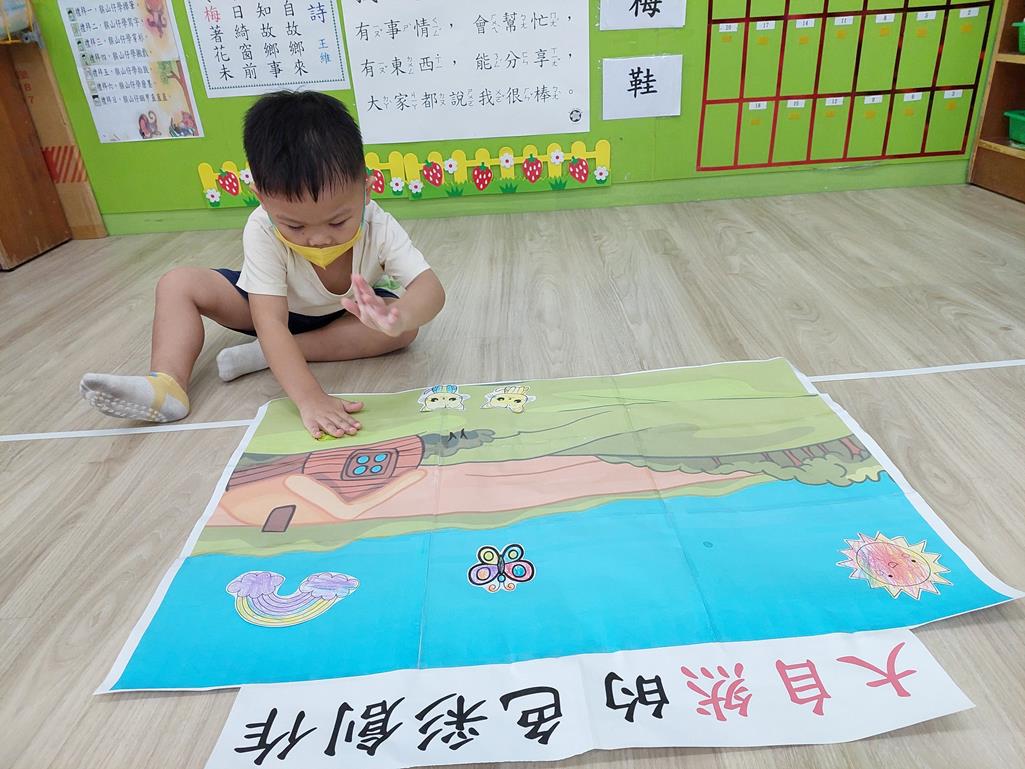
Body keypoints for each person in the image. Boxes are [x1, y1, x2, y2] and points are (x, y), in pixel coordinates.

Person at [80, 91, 444, 438]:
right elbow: (268, 320)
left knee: (405, 333)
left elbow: (429, 288)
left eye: (337, 221)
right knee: (177, 283)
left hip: (344, 316)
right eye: (295, 226)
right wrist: (310, 398)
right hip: (267, 308)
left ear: (366, 187)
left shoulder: (378, 224)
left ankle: (263, 355)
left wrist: (400, 317)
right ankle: (167, 384)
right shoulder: (261, 227)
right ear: (262, 199)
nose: (318, 239)